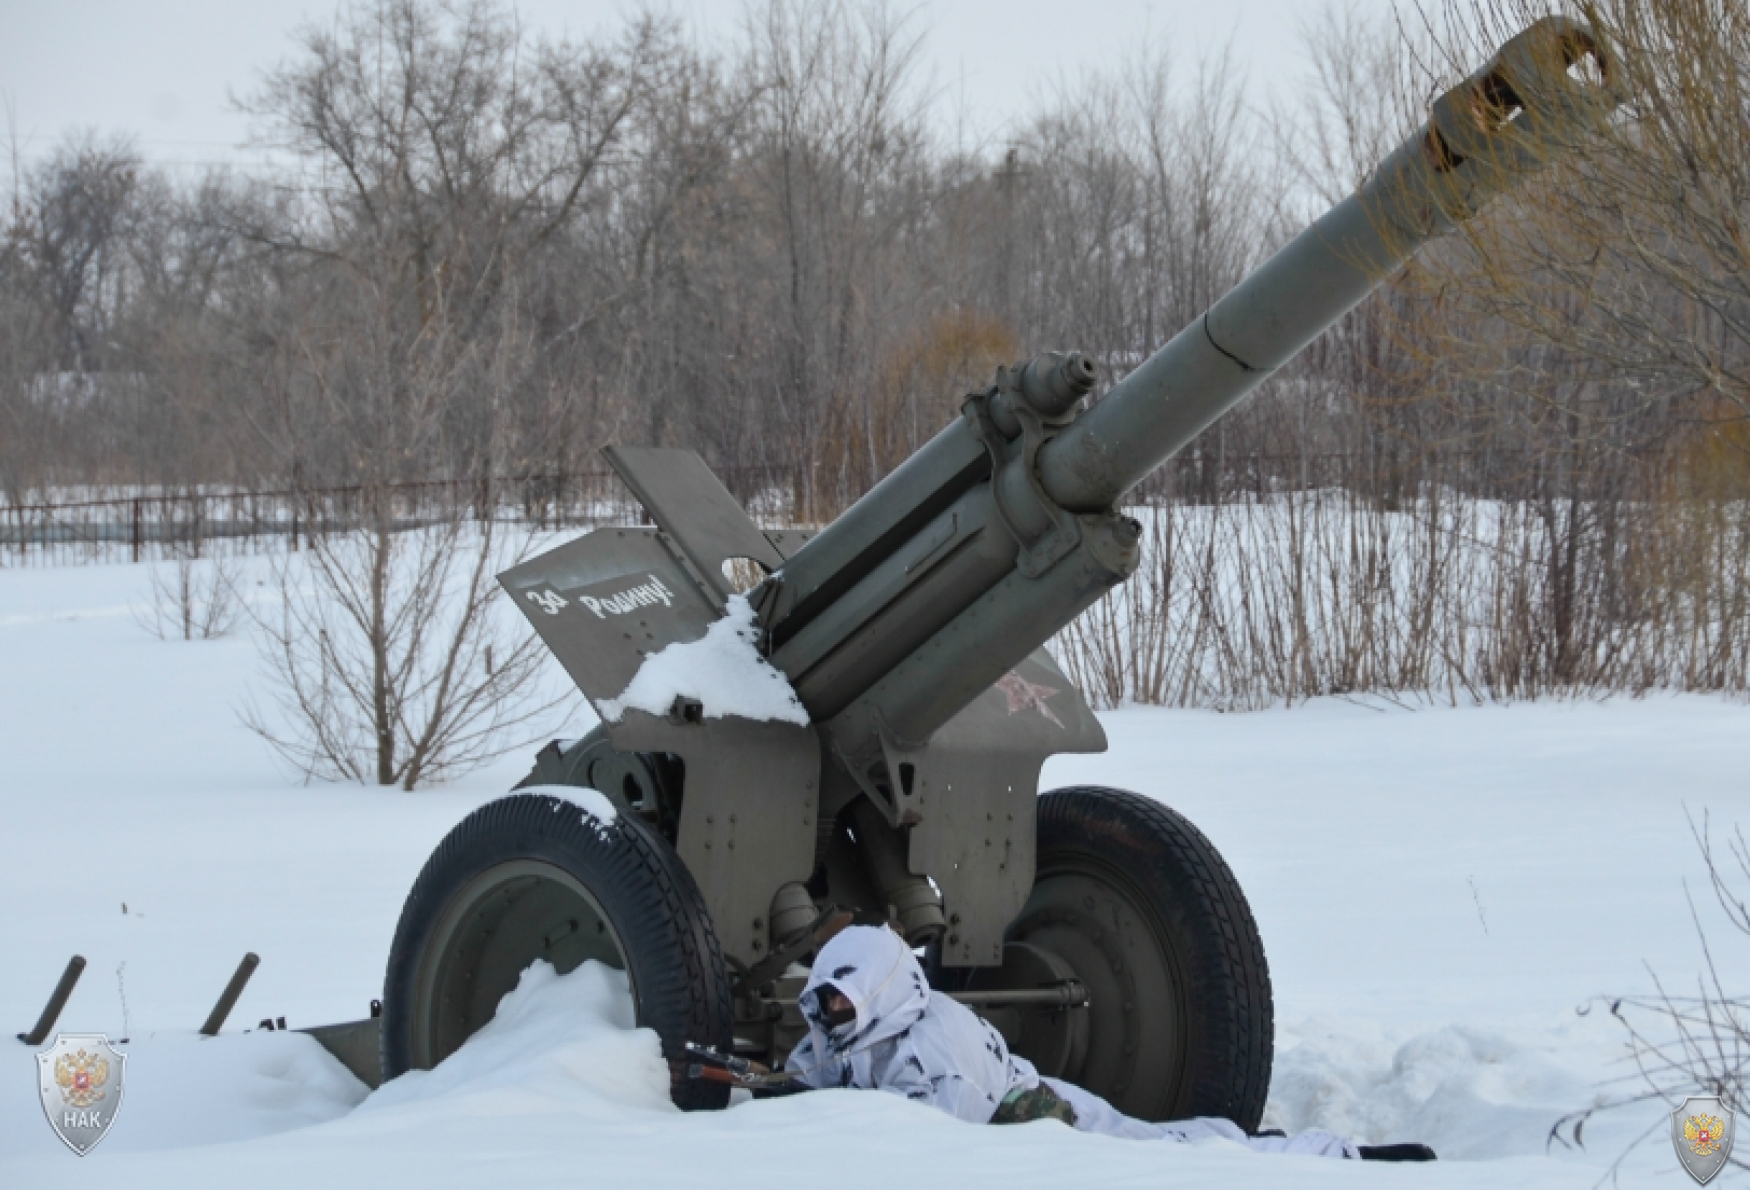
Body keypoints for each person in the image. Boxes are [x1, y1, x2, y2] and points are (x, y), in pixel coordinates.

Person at [784, 925, 1434, 1162]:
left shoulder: (933, 1046)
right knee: (1171, 1149)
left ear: (882, 989)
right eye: (829, 1000)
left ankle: (1334, 1158)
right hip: (1026, 1111)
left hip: (1037, 1116)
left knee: (1174, 1161)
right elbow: (811, 1067)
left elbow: (928, 1138)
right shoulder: (861, 1022)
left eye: (845, 999)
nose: (834, 1013)